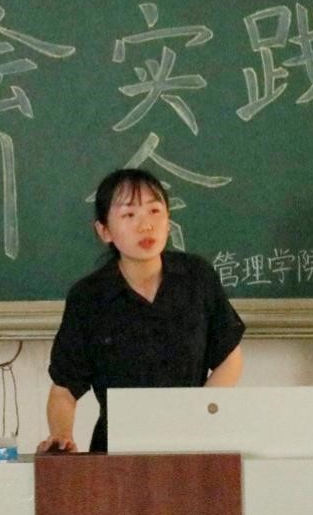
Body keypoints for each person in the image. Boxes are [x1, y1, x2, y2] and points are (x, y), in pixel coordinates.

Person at [37, 168, 245, 454]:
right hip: (116, 454)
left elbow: (229, 358)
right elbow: (64, 389)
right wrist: (62, 436)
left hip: (191, 448)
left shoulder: (196, 277)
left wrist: (198, 416)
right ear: (104, 231)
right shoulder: (89, 297)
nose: (145, 225)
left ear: (168, 220)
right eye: (129, 215)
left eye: (155, 211)